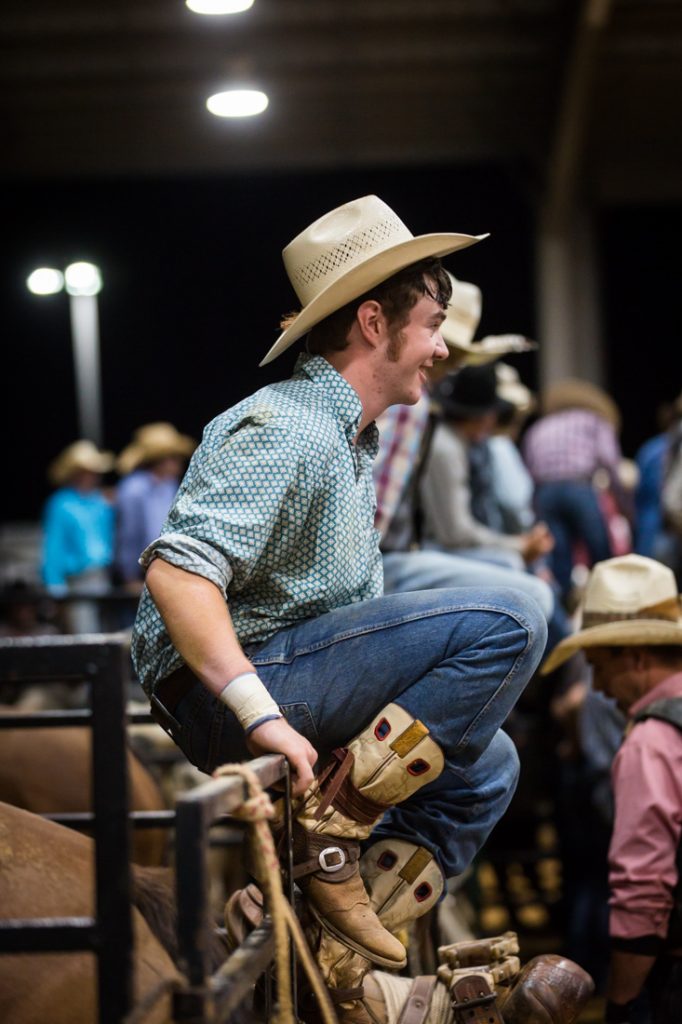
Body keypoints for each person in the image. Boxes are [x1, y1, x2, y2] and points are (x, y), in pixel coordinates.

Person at [131, 194, 548, 981]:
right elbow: (177, 571)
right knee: (516, 613)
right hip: (238, 691)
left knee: (491, 765)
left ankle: (320, 932)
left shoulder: (345, 438)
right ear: (372, 324)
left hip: (283, 673)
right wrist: (263, 718)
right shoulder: (287, 425)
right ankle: (332, 834)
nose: (438, 351)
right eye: (431, 327)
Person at [542, 553, 682, 1023]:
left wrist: (622, 1001)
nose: (598, 687)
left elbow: (643, 890)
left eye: (599, 667)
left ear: (637, 657)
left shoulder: (652, 741)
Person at [374, 272, 555, 618]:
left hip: (402, 554)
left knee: (520, 576)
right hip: (390, 561)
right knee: (533, 597)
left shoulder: (422, 410)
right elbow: (380, 514)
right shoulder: (412, 406)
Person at [419, 362, 554, 571]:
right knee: (516, 570)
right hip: (430, 549)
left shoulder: (456, 444)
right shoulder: (447, 448)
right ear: (485, 416)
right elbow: (455, 532)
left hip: (439, 546)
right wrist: (518, 544)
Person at [522, 378, 629, 604]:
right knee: (599, 548)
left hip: (546, 492)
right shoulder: (593, 421)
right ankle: (611, 602)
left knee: (558, 555)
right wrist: (622, 500)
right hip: (578, 486)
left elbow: (529, 468)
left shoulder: (540, 427)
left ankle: (564, 606)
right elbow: (609, 460)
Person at [41, 439, 116, 634]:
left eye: (93, 471)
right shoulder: (60, 503)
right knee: (85, 633)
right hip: (77, 579)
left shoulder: (100, 503)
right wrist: (55, 586)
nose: (90, 476)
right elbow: (53, 546)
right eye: (85, 471)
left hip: (102, 575)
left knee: (106, 631)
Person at [115, 421, 196, 593]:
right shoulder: (133, 489)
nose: (180, 462)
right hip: (140, 570)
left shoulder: (169, 486)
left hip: (168, 566)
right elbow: (129, 534)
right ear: (159, 459)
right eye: (174, 457)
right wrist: (129, 577)